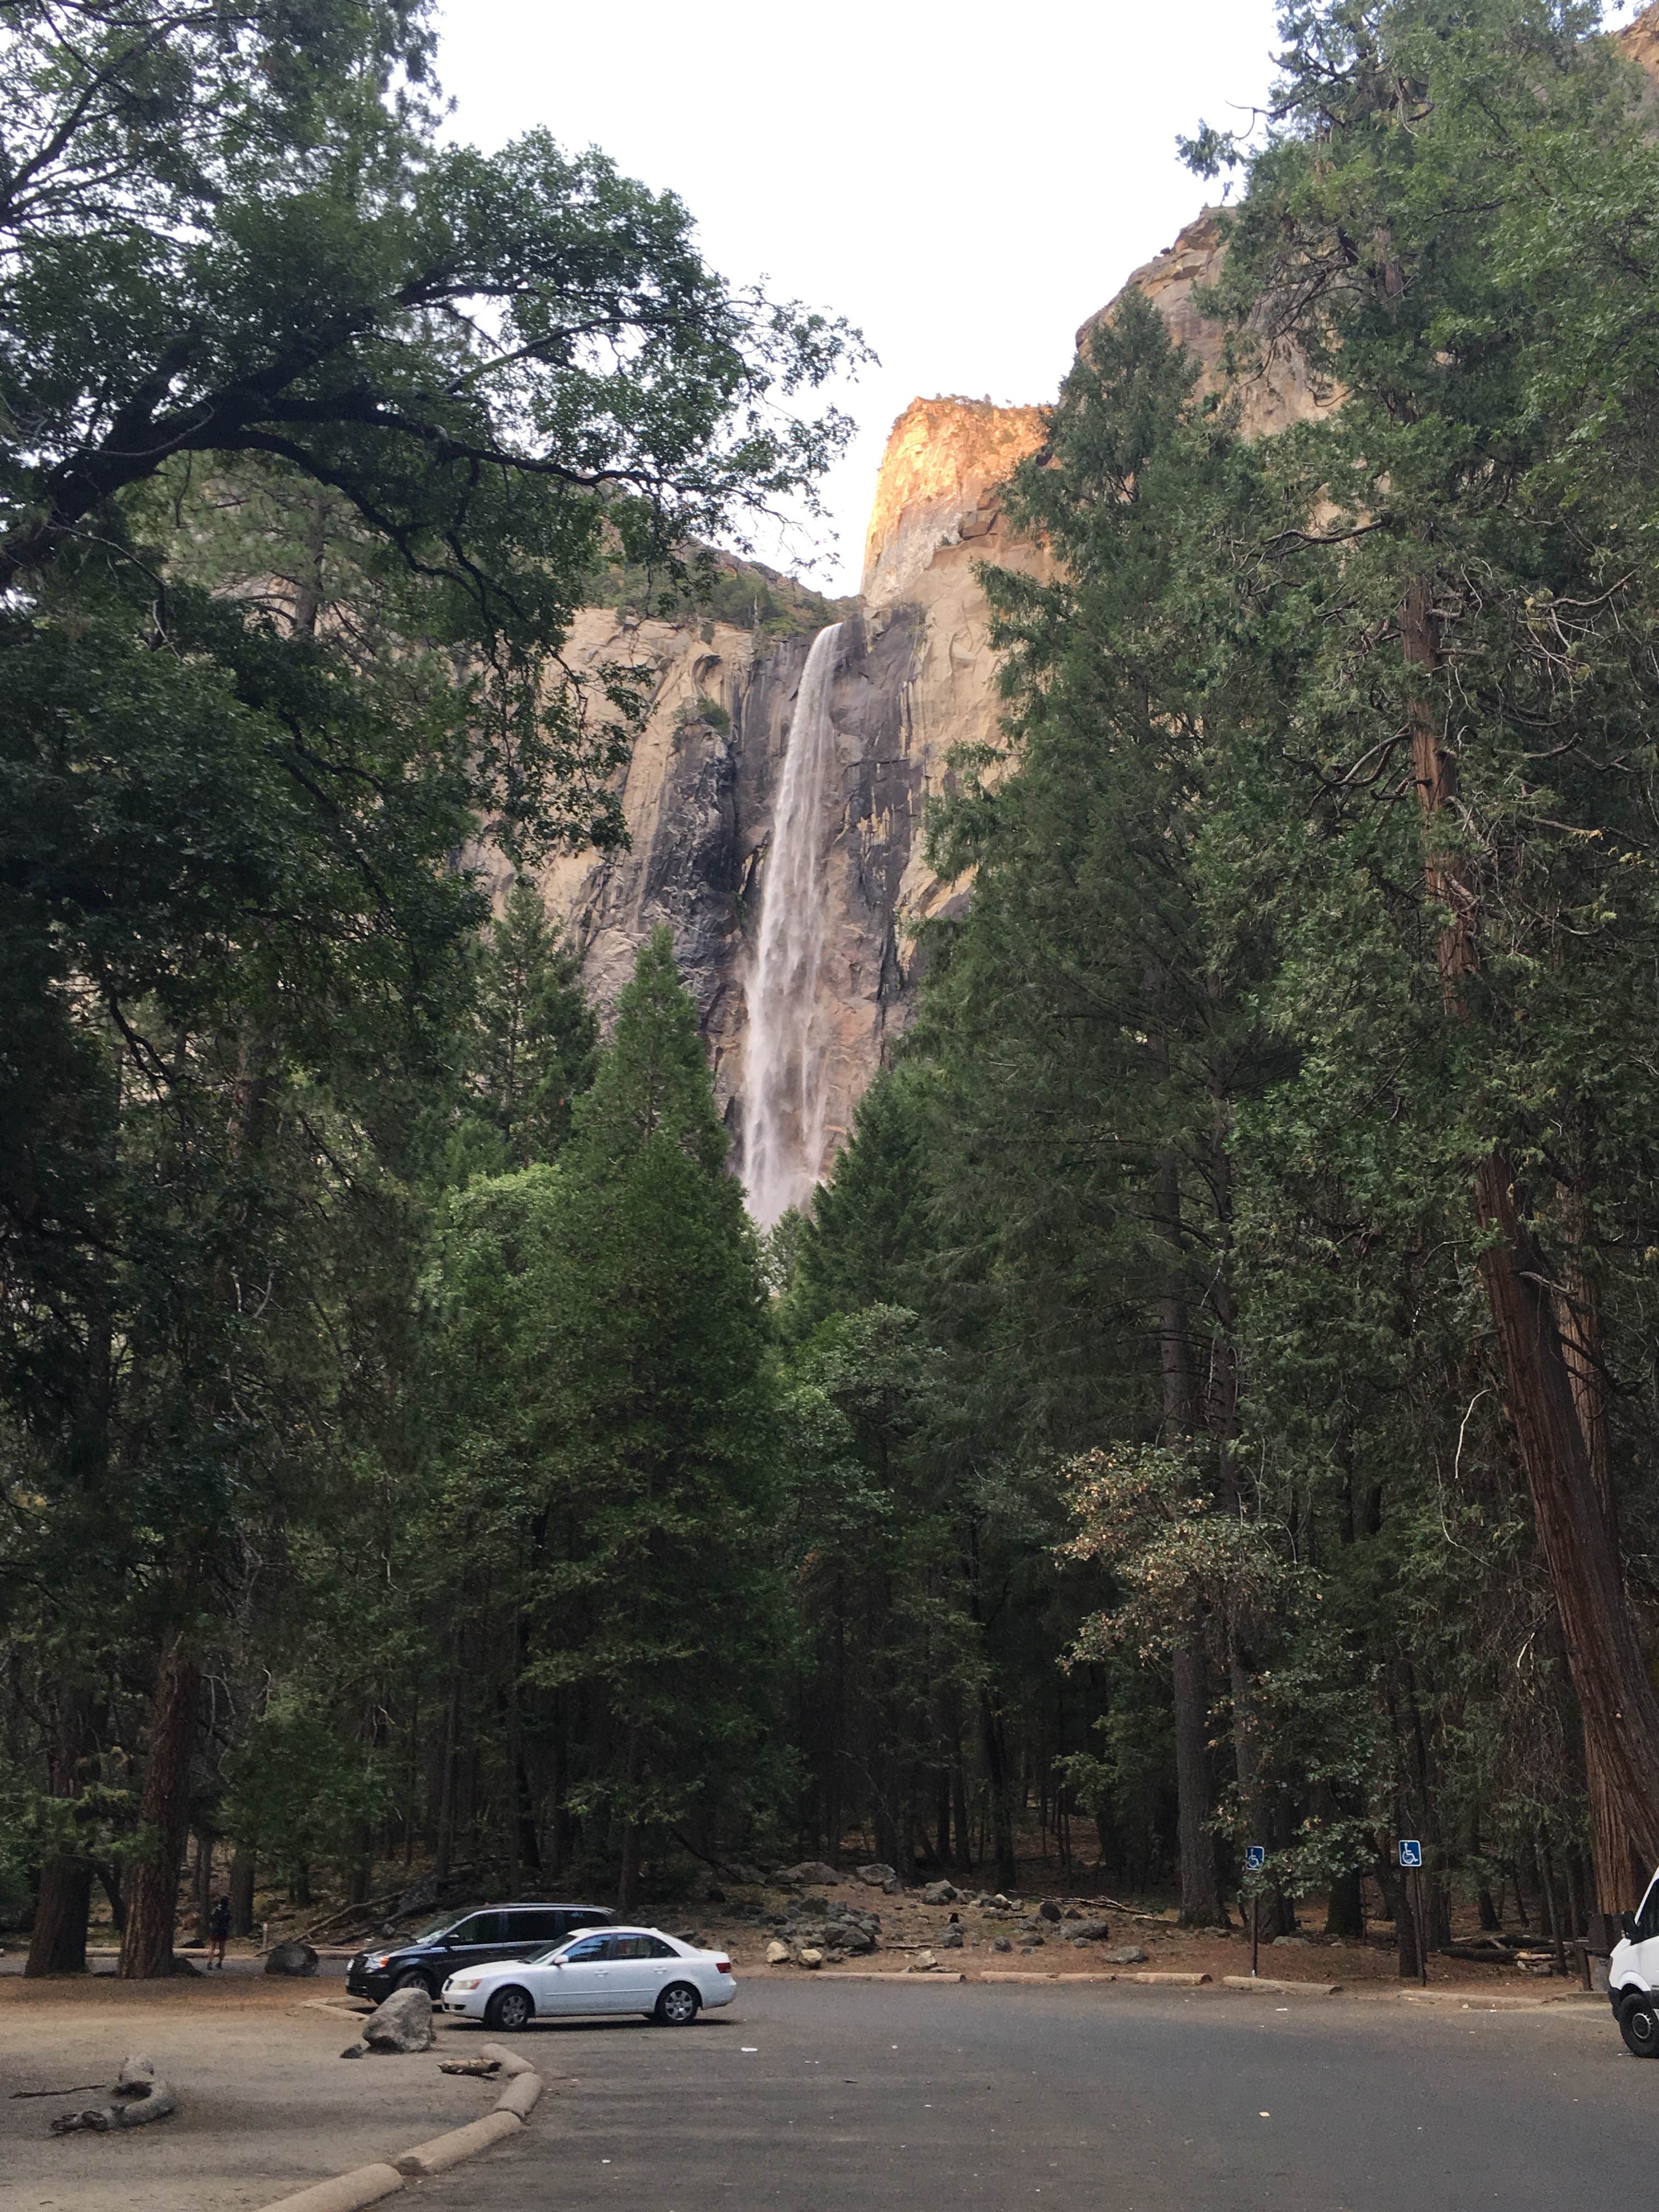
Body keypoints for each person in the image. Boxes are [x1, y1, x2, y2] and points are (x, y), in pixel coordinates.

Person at [208, 1893, 232, 1969]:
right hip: (223, 1930)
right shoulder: (228, 1911)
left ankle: (210, 1962)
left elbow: (211, 1918)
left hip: (215, 1929)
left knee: (212, 1946)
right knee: (222, 1947)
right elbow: (229, 1920)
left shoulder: (216, 1910)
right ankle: (220, 1963)